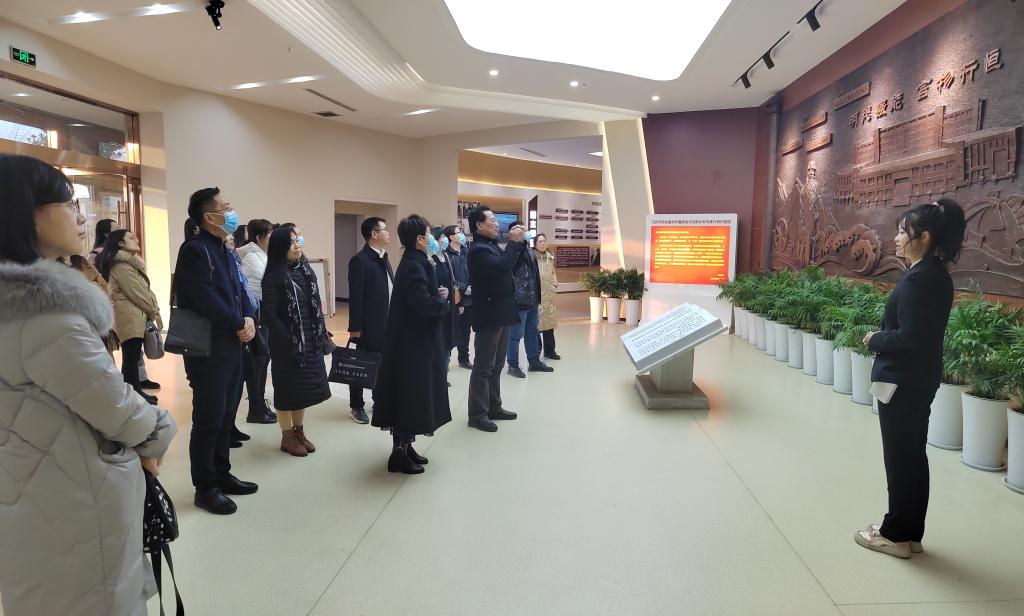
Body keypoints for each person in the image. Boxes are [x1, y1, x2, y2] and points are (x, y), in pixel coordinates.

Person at [0, 153, 177, 616]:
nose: (81, 215)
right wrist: (158, 432)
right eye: (68, 203)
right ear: (26, 213)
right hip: (73, 499)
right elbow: (116, 406)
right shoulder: (47, 319)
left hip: (33, 487)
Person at [856, 198, 966, 559]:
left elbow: (909, 336)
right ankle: (910, 532)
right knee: (913, 457)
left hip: (901, 382)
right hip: (918, 380)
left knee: (901, 459)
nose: (897, 238)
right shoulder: (935, 274)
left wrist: (875, 339)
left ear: (925, 237)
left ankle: (894, 534)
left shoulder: (920, 278)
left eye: (904, 232)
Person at [174, 187, 259, 515]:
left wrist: (248, 317)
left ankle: (222, 474)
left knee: (225, 416)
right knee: (208, 420)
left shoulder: (224, 249)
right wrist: (238, 321)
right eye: (226, 208)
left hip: (231, 345)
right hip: (208, 350)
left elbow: (239, 290)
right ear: (209, 217)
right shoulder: (195, 250)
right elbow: (203, 298)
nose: (231, 212)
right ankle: (205, 487)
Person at [370, 215, 452, 473]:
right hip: (412, 346)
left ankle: (406, 446)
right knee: (409, 396)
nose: (432, 239)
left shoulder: (415, 262)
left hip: (414, 342)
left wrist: (437, 294)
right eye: (428, 234)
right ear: (419, 239)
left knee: (413, 396)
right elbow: (422, 304)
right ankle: (398, 453)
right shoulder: (413, 265)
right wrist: (442, 303)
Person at [262, 226, 334, 456]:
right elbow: (269, 315)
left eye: (297, 240)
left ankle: (298, 432)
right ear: (279, 248)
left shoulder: (305, 270)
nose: (297, 245)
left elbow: (314, 305)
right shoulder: (273, 276)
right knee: (286, 392)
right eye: (291, 242)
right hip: (287, 347)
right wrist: (290, 339)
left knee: (301, 392)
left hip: (309, 342)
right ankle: (287, 437)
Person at [466, 206, 526, 432]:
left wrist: (519, 244)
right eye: (491, 220)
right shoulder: (478, 250)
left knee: (497, 364)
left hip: (501, 313)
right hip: (489, 315)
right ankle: (477, 414)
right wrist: (512, 243)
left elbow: (510, 267)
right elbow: (501, 267)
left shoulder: (492, 246)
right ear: (479, 225)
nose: (496, 223)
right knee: (483, 367)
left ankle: (493, 406)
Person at [97, 229, 163, 405]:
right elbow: (137, 292)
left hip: (134, 314)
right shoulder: (121, 265)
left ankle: (135, 391)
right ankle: (133, 394)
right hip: (129, 315)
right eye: (131, 238)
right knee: (131, 356)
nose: (136, 240)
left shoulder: (129, 263)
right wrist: (152, 310)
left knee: (133, 356)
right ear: (120, 243)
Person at [347, 216, 394, 424]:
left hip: (387, 322)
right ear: (374, 234)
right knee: (361, 364)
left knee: (383, 364)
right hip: (369, 324)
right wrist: (355, 328)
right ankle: (356, 405)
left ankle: (379, 399)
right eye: (384, 229)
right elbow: (356, 297)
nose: (388, 232)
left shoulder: (383, 256)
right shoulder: (360, 260)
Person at [238, 218, 276, 424]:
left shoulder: (263, 255)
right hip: (257, 314)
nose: (273, 237)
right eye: (270, 234)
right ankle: (255, 407)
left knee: (263, 359)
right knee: (257, 361)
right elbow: (266, 284)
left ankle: (260, 404)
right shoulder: (252, 256)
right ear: (260, 237)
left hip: (265, 313)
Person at [506, 219, 552, 378]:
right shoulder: (511, 250)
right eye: (520, 229)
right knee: (515, 334)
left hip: (532, 300)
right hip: (519, 301)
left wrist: (538, 299)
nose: (524, 231)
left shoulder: (529, 250)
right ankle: (512, 365)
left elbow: (535, 275)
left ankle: (534, 361)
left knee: (532, 332)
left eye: (525, 229)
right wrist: (516, 244)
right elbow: (511, 270)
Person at [432, 227, 458, 385]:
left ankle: (443, 375)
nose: (444, 239)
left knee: (448, 343)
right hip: (437, 307)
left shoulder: (446, 256)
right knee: (438, 343)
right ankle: (437, 377)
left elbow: (452, 280)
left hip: (449, 306)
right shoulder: (431, 259)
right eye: (441, 237)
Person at [445, 224, 473, 369]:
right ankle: (445, 361)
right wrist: (463, 288)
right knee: (450, 330)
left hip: (470, 297)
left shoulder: (466, 252)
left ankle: (464, 359)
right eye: (458, 232)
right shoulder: (447, 255)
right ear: (451, 237)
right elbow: (449, 277)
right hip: (455, 297)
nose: (462, 234)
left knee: (465, 331)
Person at [534, 233, 561, 360]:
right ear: (535, 244)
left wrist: (554, 285)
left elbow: (553, 273)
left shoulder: (550, 258)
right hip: (537, 297)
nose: (543, 243)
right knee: (535, 326)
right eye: (540, 241)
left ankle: (550, 351)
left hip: (549, 297)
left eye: (544, 241)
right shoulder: (532, 258)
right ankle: (536, 352)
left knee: (549, 325)